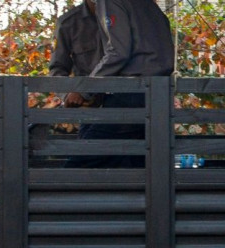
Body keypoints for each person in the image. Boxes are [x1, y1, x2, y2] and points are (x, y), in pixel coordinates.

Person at [68, 0, 175, 167]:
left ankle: (53, 193)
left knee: (81, 160)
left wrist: (84, 90)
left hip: (132, 93)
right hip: (159, 95)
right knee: (135, 166)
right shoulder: (149, 5)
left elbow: (118, 52)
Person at [49, 0, 103, 108]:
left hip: (124, 99)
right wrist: (68, 93)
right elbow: (57, 68)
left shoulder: (127, 18)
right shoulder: (68, 23)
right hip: (88, 104)